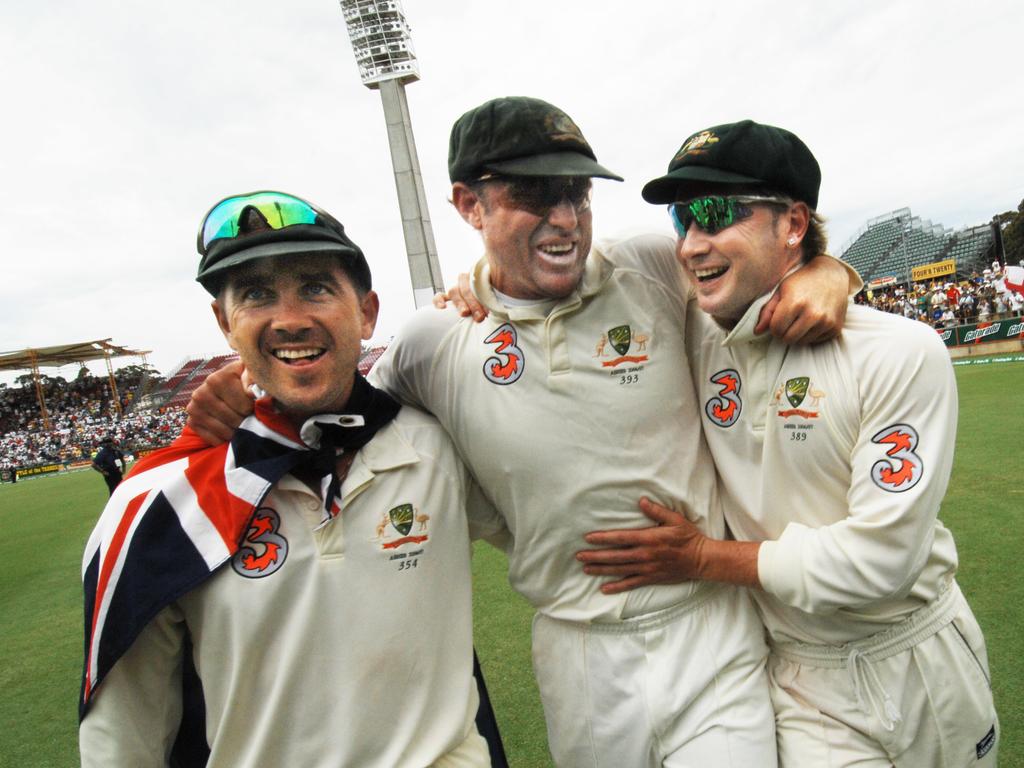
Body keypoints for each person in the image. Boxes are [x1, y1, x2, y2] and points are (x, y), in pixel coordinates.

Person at [187, 98, 855, 767]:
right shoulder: (433, 341)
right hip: (579, 651)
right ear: (469, 206)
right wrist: (248, 389)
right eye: (534, 194)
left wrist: (826, 271)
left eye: (577, 193)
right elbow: (336, 407)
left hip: (711, 628)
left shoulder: (652, 266)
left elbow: (754, 264)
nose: (564, 217)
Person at [579, 120, 999, 766]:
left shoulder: (899, 352)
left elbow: (882, 561)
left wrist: (703, 558)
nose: (693, 244)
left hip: (918, 656)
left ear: (794, 224)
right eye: (681, 218)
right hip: (802, 680)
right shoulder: (689, 330)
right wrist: (479, 281)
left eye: (716, 213)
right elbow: (572, 267)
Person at [79, 191, 497, 767]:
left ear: (368, 312)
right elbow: (123, 738)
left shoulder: (442, 445)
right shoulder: (158, 502)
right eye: (256, 295)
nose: (290, 318)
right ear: (225, 323)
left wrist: (493, 297)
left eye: (316, 287)